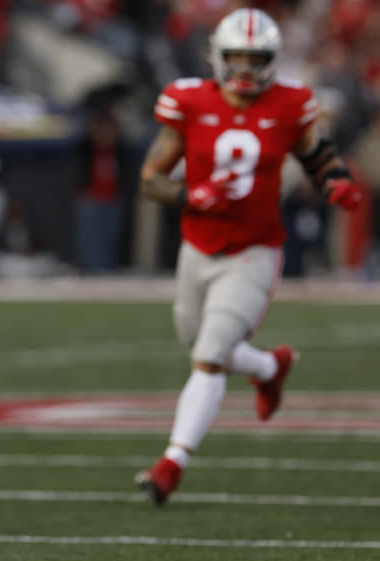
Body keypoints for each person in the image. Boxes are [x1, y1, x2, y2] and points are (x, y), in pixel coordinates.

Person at [134, 8, 361, 506]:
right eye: (234, 55)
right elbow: (151, 178)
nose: (243, 67)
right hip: (198, 245)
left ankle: (172, 462)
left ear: (272, 60)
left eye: (254, 58)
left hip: (254, 249)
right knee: (197, 342)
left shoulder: (290, 103)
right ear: (217, 55)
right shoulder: (188, 101)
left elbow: (316, 151)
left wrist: (336, 180)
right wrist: (190, 196)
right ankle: (267, 368)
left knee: (210, 356)